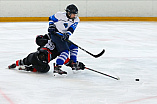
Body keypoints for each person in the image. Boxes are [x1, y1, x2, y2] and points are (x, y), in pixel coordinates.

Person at [8, 34, 85, 74]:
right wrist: (75, 64)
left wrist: (47, 36)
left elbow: (38, 39)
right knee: (46, 69)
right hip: (42, 63)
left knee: (25, 60)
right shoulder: (60, 49)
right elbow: (66, 61)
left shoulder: (48, 40)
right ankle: (31, 68)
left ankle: (16, 64)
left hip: (33, 56)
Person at [48, 4, 80, 75]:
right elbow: (51, 18)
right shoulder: (59, 15)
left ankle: (73, 63)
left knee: (74, 47)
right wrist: (51, 26)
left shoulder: (76, 20)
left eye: (75, 14)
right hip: (55, 35)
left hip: (63, 36)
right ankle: (57, 67)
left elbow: (72, 29)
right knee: (65, 51)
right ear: (68, 13)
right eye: (73, 14)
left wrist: (67, 34)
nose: (74, 16)